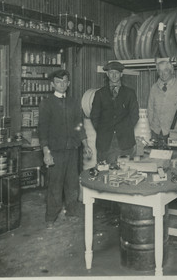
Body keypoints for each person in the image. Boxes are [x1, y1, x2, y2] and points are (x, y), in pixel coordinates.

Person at [38, 69, 92, 229]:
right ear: (52, 84)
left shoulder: (74, 102)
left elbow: (79, 125)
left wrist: (86, 144)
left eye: (65, 82)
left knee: (72, 183)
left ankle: (72, 211)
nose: (62, 85)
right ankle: (51, 217)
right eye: (58, 82)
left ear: (68, 84)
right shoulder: (46, 104)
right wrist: (46, 152)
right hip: (55, 151)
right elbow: (42, 129)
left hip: (72, 149)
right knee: (55, 184)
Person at [90, 61, 139, 164]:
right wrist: (103, 130)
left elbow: (134, 116)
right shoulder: (99, 94)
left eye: (117, 72)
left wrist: (124, 129)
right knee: (104, 173)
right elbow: (94, 116)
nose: (114, 75)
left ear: (121, 74)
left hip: (125, 141)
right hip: (105, 142)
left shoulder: (130, 93)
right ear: (107, 74)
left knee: (125, 173)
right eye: (111, 72)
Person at [147, 59, 177, 145]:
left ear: (171, 71)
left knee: (174, 157)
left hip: (175, 132)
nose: (163, 74)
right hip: (157, 132)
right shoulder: (154, 88)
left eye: (166, 70)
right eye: (160, 71)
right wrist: (153, 127)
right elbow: (150, 109)